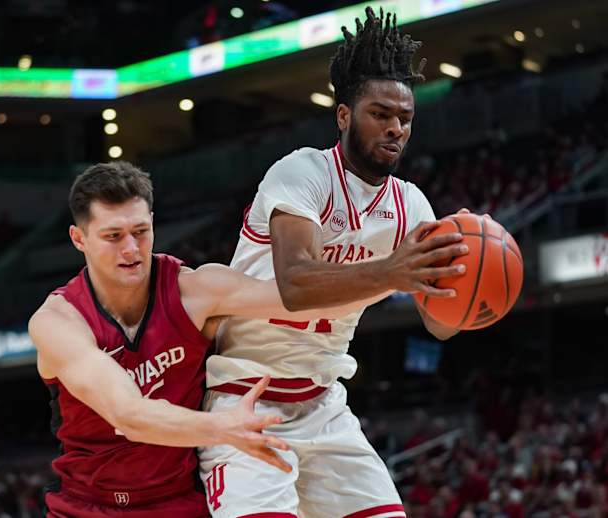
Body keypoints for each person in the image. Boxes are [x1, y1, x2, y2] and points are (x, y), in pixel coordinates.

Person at [199, 8, 468, 517]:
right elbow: (296, 282)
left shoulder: (411, 205)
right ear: (344, 115)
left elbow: (439, 327)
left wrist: (467, 271)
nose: (395, 129)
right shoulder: (303, 172)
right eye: (380, 114)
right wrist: (394, 271)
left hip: (323, 404)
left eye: (405, 119)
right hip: (245, 399)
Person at [28, 161, 388, 517]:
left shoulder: (195, 290)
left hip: (180, 501)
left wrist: (396, 275)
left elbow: (301, 305)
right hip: (86, 505)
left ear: (153, 223)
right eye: (113, 236)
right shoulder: (59, 323)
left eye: (140, 231)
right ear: (79, 238)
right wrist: (224, 428)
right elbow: (130, 415)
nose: (131, 249)